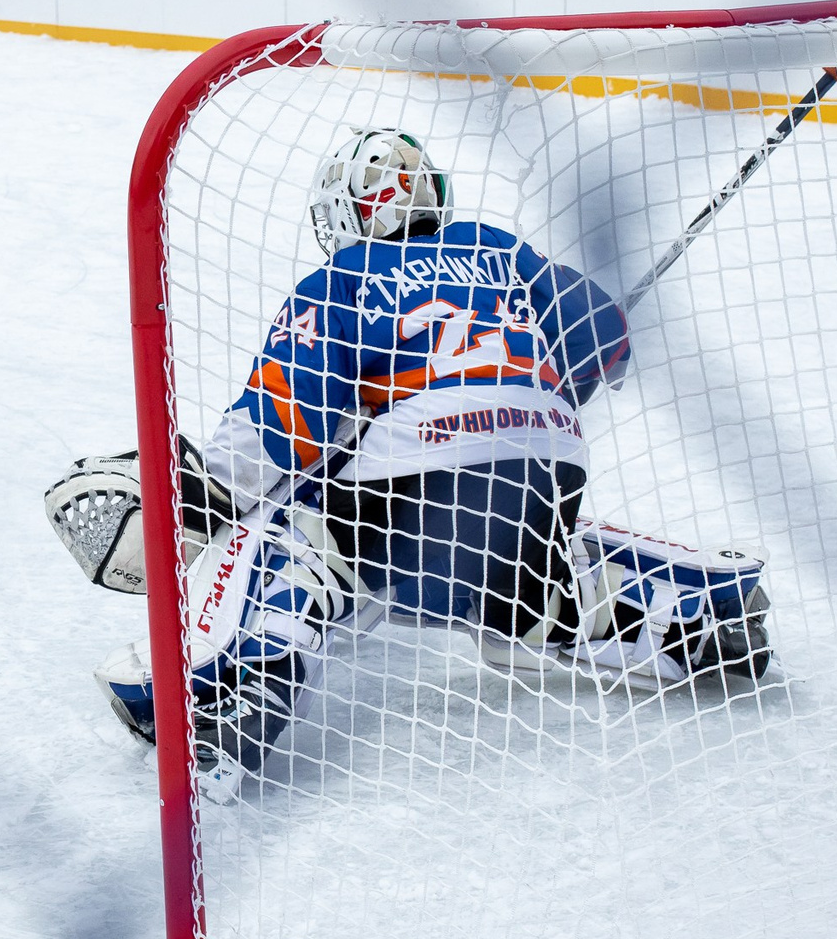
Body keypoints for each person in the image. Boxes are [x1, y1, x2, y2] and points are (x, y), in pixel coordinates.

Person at [41, 130, 770, 798]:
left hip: (424, 460)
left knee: (297, 542)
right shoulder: (502, 249)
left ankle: (237, 696)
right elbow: (605, 336)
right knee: (524, 606)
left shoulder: (347, 275)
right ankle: (700, 623)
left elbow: (286, 412)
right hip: (548, 460)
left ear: (347, 212)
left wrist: (216, 491)